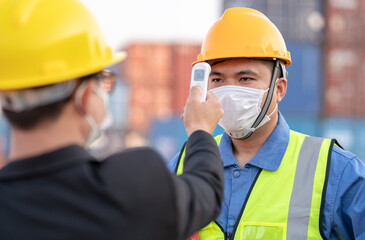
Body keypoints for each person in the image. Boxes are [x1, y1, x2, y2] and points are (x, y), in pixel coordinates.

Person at [0, 0, 225, 239]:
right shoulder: (133, 186)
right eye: (103, 82)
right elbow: (206, 192)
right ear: (85, 96)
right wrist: (200, 130)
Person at [169, 8, 365, 240]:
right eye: (218, 79)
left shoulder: (335, 171)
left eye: (245, 79)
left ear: (279, 89)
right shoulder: (181, 165)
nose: (230, 92)